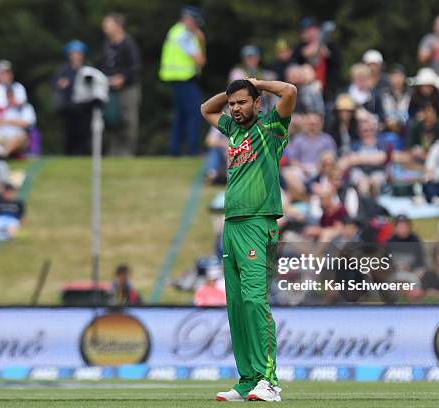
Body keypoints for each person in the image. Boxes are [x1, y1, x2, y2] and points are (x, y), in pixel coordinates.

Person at [201, 77, 296, 402]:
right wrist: (230, 91)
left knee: (256, 300)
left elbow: (290, 92)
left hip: (259, 222)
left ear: (258, 103)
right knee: (238, 306)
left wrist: (256, 83)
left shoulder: (271, 129)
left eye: (243, 102)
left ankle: (269, 380)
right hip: (232, 226)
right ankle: (248, 379)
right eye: (233, 104)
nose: (236, 108)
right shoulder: (233, 130)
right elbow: (206, 109)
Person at [159, 6, 206, 156]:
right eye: (196, 23)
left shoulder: (174, 31)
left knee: (179, 116)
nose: (197, 27)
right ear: (190, 20)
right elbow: (199, 60)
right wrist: (201, 40)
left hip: (176, 80)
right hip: (185, 79)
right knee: (195, 113)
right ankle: (193, 150)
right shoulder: (185, 34)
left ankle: (174, 150)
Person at [102, 13, 142, 156]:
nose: (104, 28)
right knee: (113, 120)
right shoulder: (107, 45)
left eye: (107, 24)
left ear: (118, 26)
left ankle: (127, 153)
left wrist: (123, 78)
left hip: (128, 89)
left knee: (128, 120)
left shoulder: (128, 44)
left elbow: (135, 66)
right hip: (111, 90)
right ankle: (114, 152)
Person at [281, 112, 336, 200]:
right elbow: (292, 159)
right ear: (305, 124)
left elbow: (332, 159)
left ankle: (308, 194)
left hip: (321, 170)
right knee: (286, 172)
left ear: (321, 124)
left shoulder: (327, 140)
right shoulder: (298, 139)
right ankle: (308, 196)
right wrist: (301, 167)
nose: (312, 126)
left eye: (315, 124)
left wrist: (320, 168)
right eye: (310, 123)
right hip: (302, 170)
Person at [52, 40, 92, 155]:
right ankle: (69, 154)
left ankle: (84, 155)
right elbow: (54, 83)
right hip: (68, 109)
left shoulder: (88, 69)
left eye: (78, 53)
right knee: (69, 135)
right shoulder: (63, 70)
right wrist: (60, 84)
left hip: (85, 109)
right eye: (73, 53)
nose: (75, 56)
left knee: (85, 135)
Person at [0, 86, 36, 157]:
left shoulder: (25, 107)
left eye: (12, 95)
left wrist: (7, 121)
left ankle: (2, 155)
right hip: (0, 136)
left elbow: (27, 123)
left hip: (17, 136)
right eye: (8, 96)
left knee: (20, 136)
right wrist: (12, 122)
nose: (10, 98)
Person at [382, 64, 411, 135]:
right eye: (394, 76)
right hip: (387, 127)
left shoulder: (411, 94)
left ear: (404, 78)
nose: (397, 79)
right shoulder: (383, 93)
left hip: (405, 128)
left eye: (399, 76)